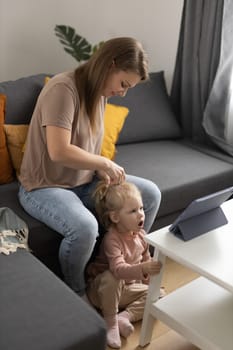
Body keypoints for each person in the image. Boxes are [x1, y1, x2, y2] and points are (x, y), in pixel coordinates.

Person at [18, 37, 161, 297]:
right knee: (85, 228)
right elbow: (58, 150)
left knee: (149, 194)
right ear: (110, 64)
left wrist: (100, 171)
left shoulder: (100, 93)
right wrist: (104, 162)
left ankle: (119, 267)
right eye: (123, 84)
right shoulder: (64, 88)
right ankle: (78, 293)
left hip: (85, 182)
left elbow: (87, 146)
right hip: (44, 186)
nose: (123, 93)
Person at [86, 181, 163, 349]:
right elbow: (118, 270)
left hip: (126, 291)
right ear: (115, 217)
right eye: (133, 211)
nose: (141, 214)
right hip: (102, 292)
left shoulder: (141, 235)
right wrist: (142, 269)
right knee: (113, 277)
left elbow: (145, 258)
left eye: (141, 208)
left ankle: (125, 317)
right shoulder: (112, 240)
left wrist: (150, 283)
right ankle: (111, 323)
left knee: (159, 295)